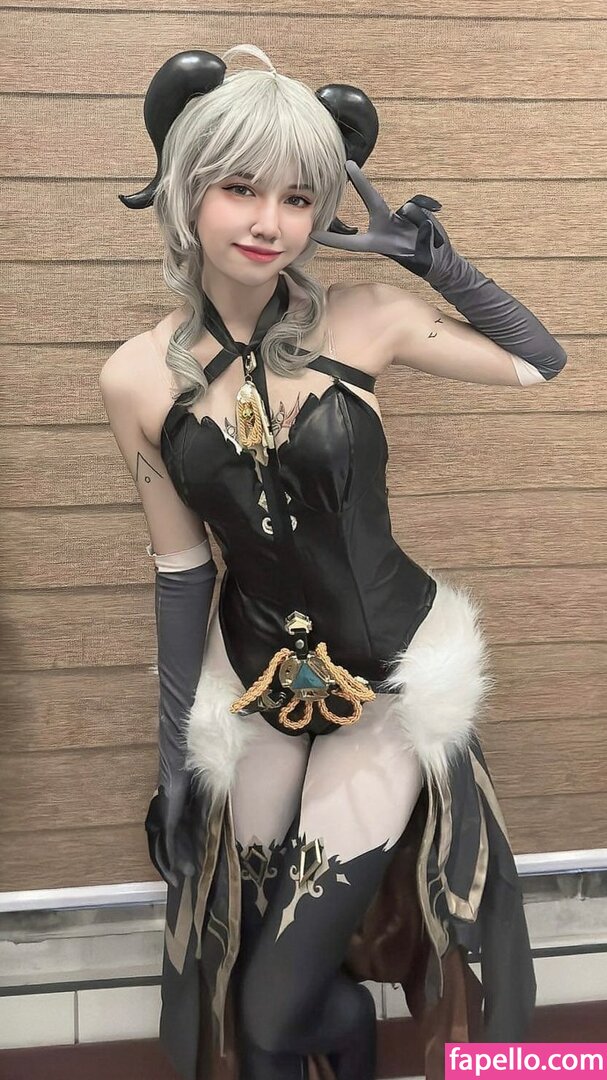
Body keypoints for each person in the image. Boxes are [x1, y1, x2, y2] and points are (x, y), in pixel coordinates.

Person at [99, 43, 566, 1080]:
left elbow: (540, 361)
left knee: (274, 1010)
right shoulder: (135, 377)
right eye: (239, 188)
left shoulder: (367, 317)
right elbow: (181, 574)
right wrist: (175, 765)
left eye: (299, 197)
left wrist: (437, 264)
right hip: (258, 689)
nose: (269, 221)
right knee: (251, 990)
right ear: (185, 189)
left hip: (388, 688)